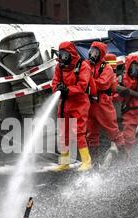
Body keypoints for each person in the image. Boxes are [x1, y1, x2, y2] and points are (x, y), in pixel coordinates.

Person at [51, 41, 92, 172]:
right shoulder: (59, 67)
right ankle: (64, 162)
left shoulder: (83, 66)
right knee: (64, 133)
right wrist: (58, 88)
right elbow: (54, 83)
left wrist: (68, 90)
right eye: (61, 55)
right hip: (64, 104)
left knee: (79, 132)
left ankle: (87, 161)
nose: (63, 58)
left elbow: (82, 86)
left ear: (71, 54)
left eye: (65, 55)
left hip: (79, 103)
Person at [85, 42, 125, 166]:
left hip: (103, 103)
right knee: (91, 134)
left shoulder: (106, 68)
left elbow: (102, 84)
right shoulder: (86, 66)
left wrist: (87, 82)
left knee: (113, 131)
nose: (92, 55)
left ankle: (125, 159)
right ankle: (94, 164)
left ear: (101, 54)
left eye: (96, 53)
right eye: (91, 51)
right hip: (90, 103)